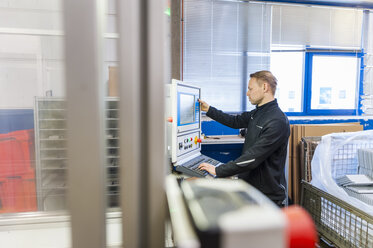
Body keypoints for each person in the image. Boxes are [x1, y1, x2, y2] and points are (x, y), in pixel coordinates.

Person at [198, 70, 290, 207]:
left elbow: (253, 158)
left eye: (250, 89)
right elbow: (234, 121)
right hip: (252, 189)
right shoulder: (258, 112)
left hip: (268, 198)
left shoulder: (277, 121)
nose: (247, 93)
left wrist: (219, 170)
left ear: (264, 87)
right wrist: (209, 109)